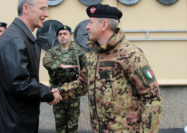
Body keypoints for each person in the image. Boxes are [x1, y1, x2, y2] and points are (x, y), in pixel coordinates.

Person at [57, 4, 162, 132]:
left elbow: (152, 97)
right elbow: (81, 84)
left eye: (90, 22)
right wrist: (55, 93)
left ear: (104, 25)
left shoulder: (130, 54)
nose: (87, 27)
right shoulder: (93, 55)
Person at [0, 0, 62, 132]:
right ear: (26, 8)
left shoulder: (20, 36)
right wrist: (48, 93)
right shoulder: (15, 40)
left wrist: (42, 93)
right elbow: (20, 83)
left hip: (13, 121)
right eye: (42, 9)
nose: (46, 14)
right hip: (10, 124)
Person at [43, 25, 87, 133]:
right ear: (57, 37)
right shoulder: (52, 51)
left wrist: (80, 78)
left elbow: (86, 69)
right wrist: (60, 65)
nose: (62, 36)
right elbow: (46, 62)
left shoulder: (78, 51)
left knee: (73, 122)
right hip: (57, 91)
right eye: (60, 34)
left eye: (65, 34)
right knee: (60, 122)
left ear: (70, 36)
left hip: (73, 91)